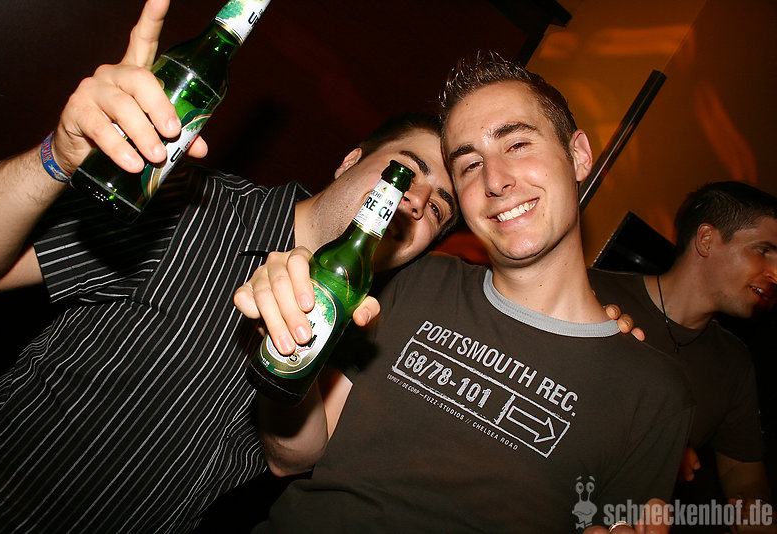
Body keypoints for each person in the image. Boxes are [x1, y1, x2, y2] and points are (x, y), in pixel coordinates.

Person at [0, 1, 461, 532]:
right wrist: (57, 159)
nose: (415, 201)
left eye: (439, 209)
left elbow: (291, 460)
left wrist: (287, 353)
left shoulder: (364, 323)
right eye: (404, 171)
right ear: (351, 160)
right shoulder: (190, 204)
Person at [235, 52, 694, 532]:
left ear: (578, 156)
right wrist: (286, 348)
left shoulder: (655, 393)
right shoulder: (417, 280)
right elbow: (291, 456)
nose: (495, 180)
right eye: (470, 164)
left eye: (517, 144)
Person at [589, 181, 777, 533]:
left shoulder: (735, 363)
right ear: (706, 240)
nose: (776, 274)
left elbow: (745, 479)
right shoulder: (590, 291)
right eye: (763, 250)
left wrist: (755, 512)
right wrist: (659, 445)